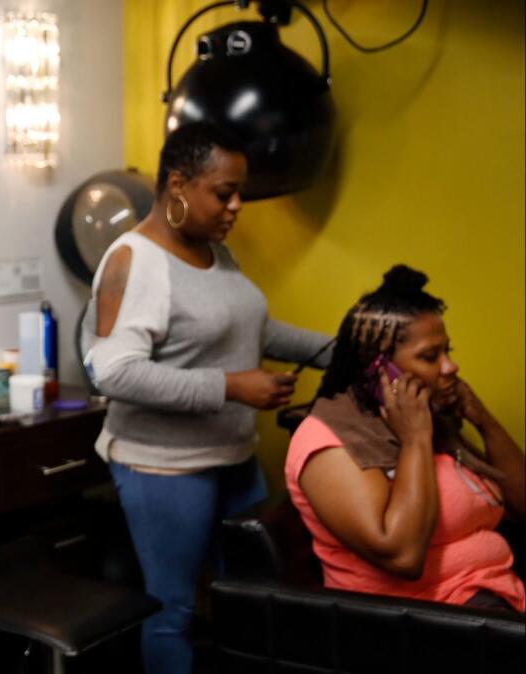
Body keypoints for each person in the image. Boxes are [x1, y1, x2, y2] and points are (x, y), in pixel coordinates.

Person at [86, 122, 333, 674]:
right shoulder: (133, 261)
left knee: (252, 602)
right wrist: (231, 387)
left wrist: (342, 348)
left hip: (233, 459)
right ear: (178, 185)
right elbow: (113, 373)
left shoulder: (216, 253)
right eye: (225, 193)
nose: (237, 205)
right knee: (172, 608)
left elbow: (252, 330)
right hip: (166, 470)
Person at [286, 265, 525, 612]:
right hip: (424, 623)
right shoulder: (327, 437)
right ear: (378, 369)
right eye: (430, 356)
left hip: (489, 600)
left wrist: (483, 419)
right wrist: (415, 440)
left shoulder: (428, 415)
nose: (450, 368)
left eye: (448, 352)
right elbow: (403, 556)